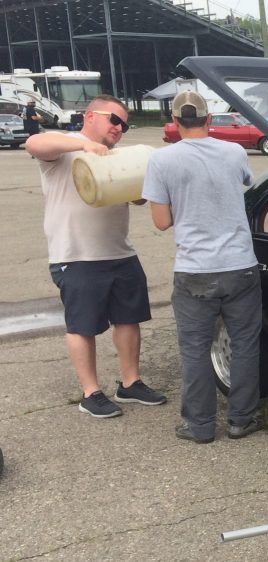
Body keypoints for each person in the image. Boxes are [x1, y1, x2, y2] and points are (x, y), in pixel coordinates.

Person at [25, 95, 167, 418]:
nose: (120, 127)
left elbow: (138, 199)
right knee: (82, 325)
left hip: (120, 251)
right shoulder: (66, 146)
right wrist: (82, 146)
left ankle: (130, 382)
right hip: (76, 255)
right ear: (90, 116)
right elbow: (34, 143)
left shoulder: (117, 155)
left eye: (124, 124)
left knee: (129, 319)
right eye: (113, 119)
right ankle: (91, 392)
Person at [142, 91, 262, 444]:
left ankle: (199, 426)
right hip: (241, 265)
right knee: (244, 344)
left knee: (194, 348)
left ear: (175, 122)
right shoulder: (235, 152)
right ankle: (241, 419)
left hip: (195, 269)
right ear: (210, 119)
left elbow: (162, 222)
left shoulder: (161, 161)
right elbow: (248, 186)